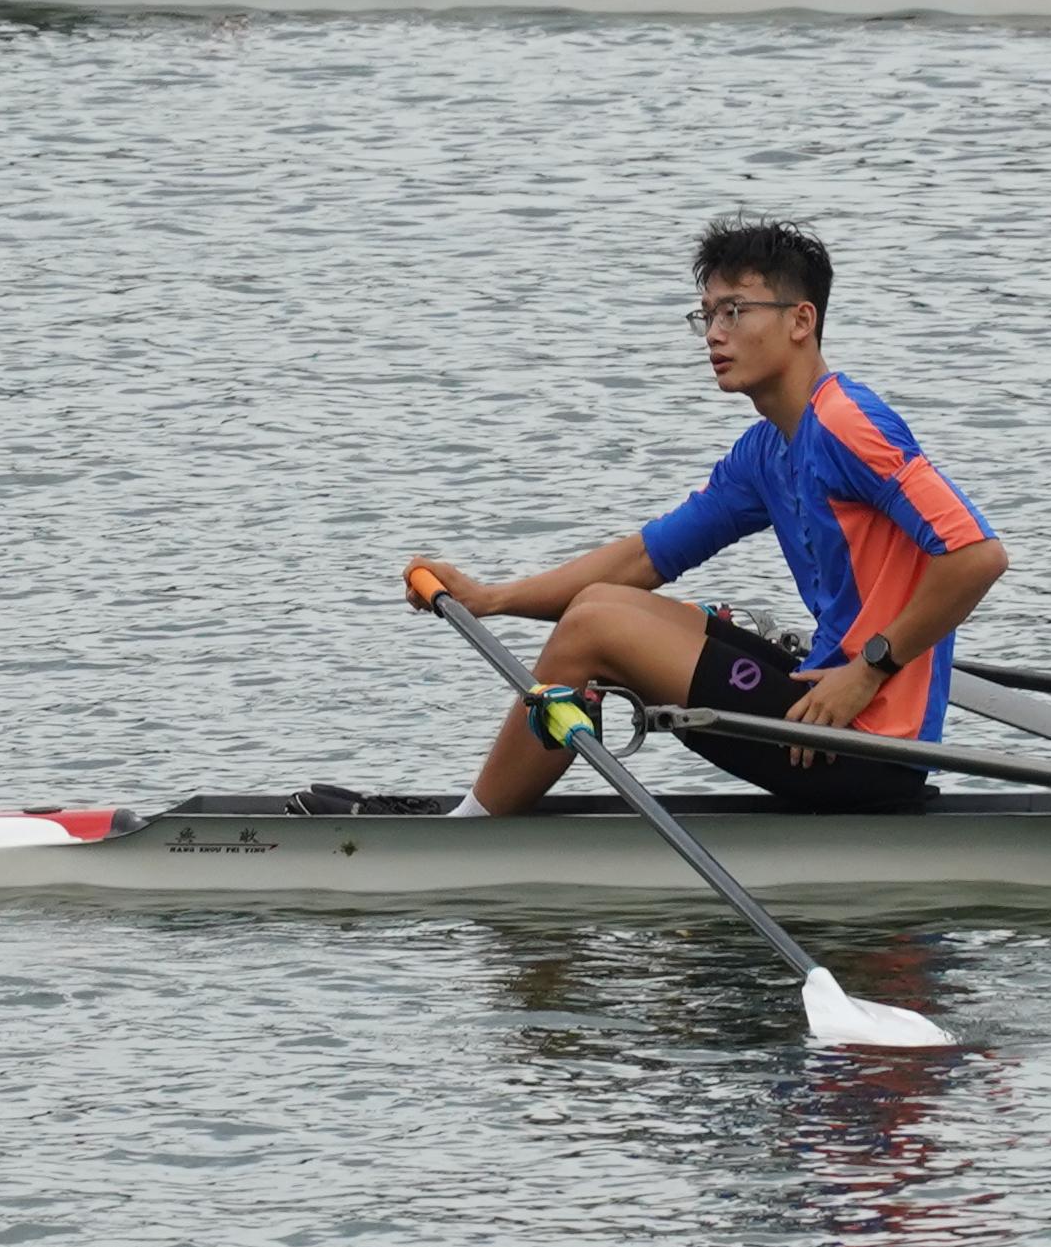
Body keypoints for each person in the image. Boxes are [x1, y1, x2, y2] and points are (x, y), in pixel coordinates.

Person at [406, 219, 1010, 815]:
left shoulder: (849, 424)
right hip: (823, 700)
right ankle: (485, 819)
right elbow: (643, 558)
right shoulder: (766, 449)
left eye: (735, 312)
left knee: (593, 631)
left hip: (865, 740)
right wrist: (491, 598)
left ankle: (471, 829)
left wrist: (868, 671)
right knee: (599, 604)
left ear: (802, 320)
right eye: (708, 315)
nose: (714, 334)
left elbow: (976, 557)